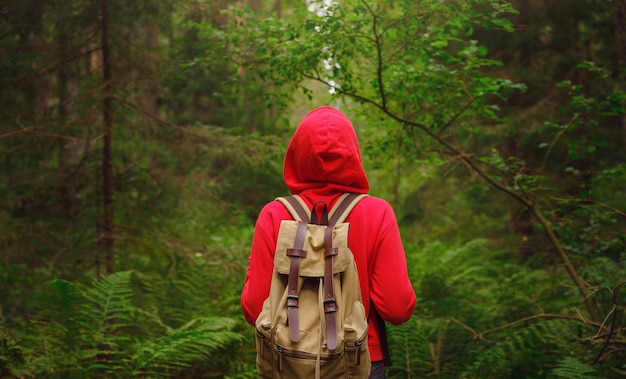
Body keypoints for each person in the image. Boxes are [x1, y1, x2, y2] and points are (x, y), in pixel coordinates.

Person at [241, 105, 416, 378]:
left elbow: (254, 309)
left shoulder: (274, 214)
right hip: (360, 360)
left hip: (288, 361)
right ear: (353, 155)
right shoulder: (377, 213)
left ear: (297, 154)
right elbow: (397, 308)